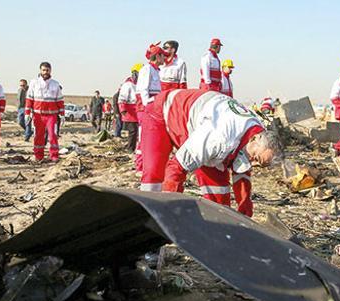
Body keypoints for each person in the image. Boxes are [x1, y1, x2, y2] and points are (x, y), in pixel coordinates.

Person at [141, 88, 282, 217]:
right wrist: (169, 210)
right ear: (254, 139)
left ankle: (219, 232)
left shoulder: (256, 131)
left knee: (219, 199)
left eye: (260, 164)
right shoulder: (219, 139)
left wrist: (245, 206)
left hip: (200, 121)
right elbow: (176, 168)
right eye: (256, 158)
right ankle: (146, 217)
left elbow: (242, 171)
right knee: (154, 175)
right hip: (162, 112)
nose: (254, 164)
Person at [25, 61, 65, 162]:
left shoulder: (55, 84)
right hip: (38, 115)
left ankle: (54, 155)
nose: (45, 72)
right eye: (43, 70)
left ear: (50, 70)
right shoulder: (34, 83)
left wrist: (62, 114)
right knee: (38, 135)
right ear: (40, 70)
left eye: (47, 70)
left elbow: (59, 100)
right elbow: (29, 98)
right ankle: (38, 156)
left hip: (51, 115)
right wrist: (27, 113)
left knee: (53, 135)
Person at [135, 45, 165, 174]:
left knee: (150, 136)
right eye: (162, 55)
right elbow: (143, 89)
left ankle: (147, 164)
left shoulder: (156, 71)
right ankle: (140, 166)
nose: (164, 57)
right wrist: (148, 105)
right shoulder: (147, 69)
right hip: (145, 108)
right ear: (157, 56)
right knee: (143, 136)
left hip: (153, 107)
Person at [118, 64, 141, 152]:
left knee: (138, 131)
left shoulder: (139, 85)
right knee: (133, 131)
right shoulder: (128, 85)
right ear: (135, 74)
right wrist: (122, 109)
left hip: (138, 111)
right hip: (130, 111)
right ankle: (130, 149)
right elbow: (121, 99)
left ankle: (135, 147)